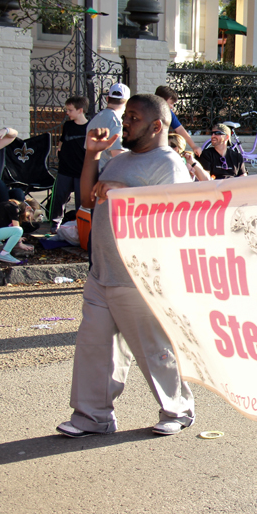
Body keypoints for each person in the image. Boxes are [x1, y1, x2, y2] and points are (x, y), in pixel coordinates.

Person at [57, 93, 196, 438]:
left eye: (133, 117)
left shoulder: (168, 164)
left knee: (154, 349)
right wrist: (92, 154)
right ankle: (93, 417)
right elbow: (89, 198)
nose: (125, 123)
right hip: (103, 272)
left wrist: (127, 194)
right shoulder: (121, 159)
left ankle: (177, 410)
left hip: (141, 278)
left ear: (156, 126)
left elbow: (176, 218)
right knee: (95, 349)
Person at [51, 95, 89, 229]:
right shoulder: (67, 125)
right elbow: (62, 141)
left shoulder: (90, 127)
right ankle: (55, 224)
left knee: (81, 201)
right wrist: (60, 150)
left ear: (80, 110)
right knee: (59, 198)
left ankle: (80, 227)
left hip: (81, 172)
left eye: (70, 110)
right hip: (65, 170)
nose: (67, 113)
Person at [86, 83, 129, 172]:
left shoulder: (96, 118)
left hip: (91, 173)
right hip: (106, 176)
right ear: (127, 102)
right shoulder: (115, 121)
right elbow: (118, 156)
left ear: (107, 99)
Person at [155, 86, 201, 155]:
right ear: (162, 100)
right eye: (171, 103)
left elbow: (180, 129)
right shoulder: (149, 112)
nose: (172, 107)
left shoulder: (169, 113)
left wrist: (193, 146)